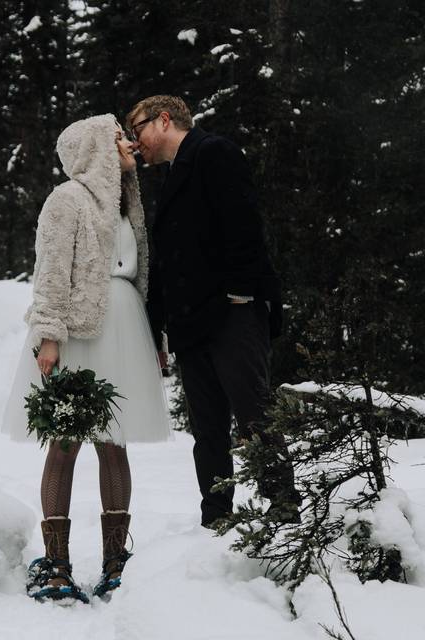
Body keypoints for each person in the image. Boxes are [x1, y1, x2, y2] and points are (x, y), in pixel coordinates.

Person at [1, 114, 171, 603]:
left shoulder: (128, 204)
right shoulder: (67, 199)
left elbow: (143, 277)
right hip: (78, 331)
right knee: (65, 441)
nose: (128, 143)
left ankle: (117, 559)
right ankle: (56, 562)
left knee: (113, 443)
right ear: (95, 145)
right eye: (118, 135)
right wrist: (48, 334)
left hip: (125, 326)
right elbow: (50, 271)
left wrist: (155, 336)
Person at [124, 95, 300, 528]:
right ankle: (216, 518)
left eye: (138, 130)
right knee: (208, 430)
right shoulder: (171, 178)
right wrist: (158, 327)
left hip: (231, 314)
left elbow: (243, 226)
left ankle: (283, 511)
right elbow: (167, 262)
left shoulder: (213, 152)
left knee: (254, 413)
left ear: (164, 120)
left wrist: (238, 296)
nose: (135, 143)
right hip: (191, 325)